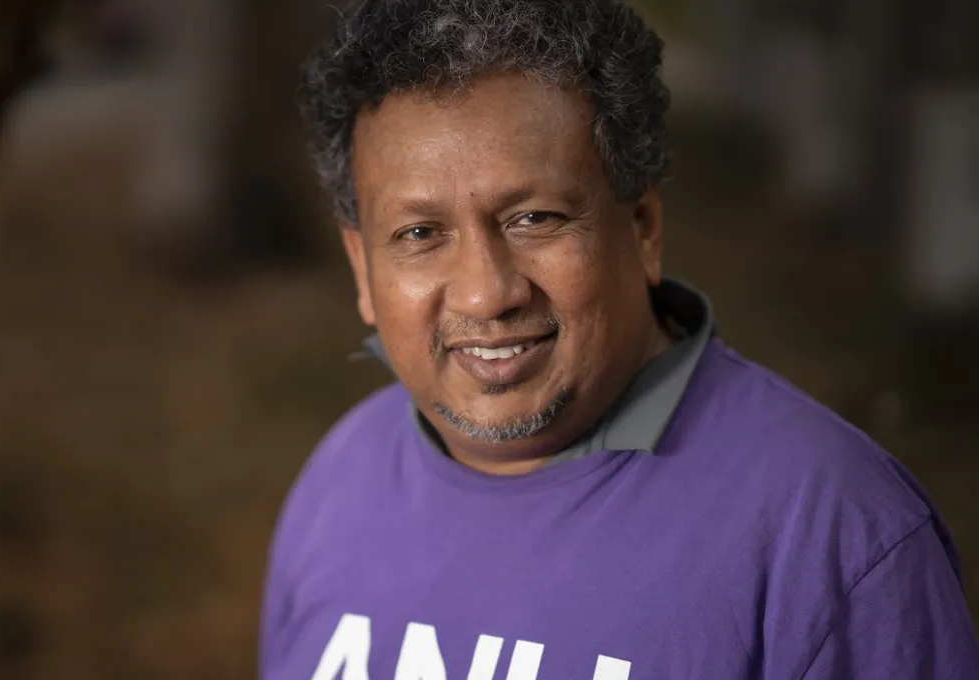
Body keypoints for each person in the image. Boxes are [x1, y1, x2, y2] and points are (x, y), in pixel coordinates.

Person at [259, 1, 979, 678]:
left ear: (643, 230)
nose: (486, 292)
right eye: (419, 234)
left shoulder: (835, 533)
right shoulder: (340, 481)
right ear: (362, 268)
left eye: (535, 218)